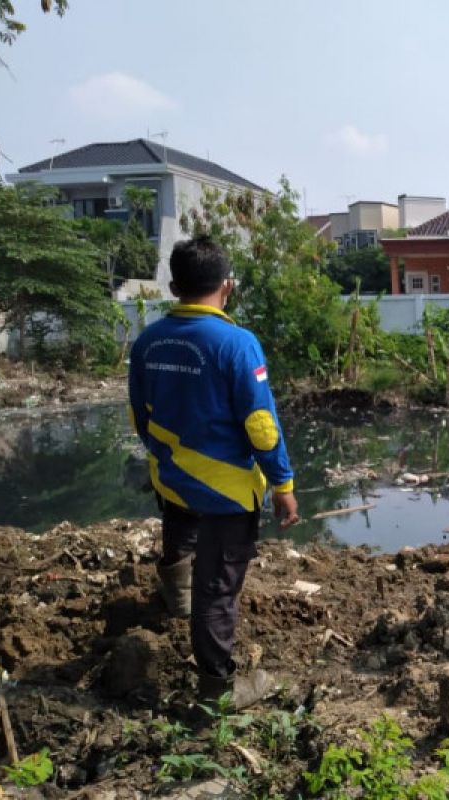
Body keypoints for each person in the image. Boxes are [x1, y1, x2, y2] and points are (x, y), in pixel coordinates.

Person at [128, 235, 299, 708]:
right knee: (218, 590)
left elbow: (138, 416)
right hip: (227, 492)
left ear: (173, 284)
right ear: (227, 286)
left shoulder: (148, 340)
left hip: (171, 478)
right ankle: (217, 690)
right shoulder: (237, 344)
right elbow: (261, 426)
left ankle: (176, 603)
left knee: (180, 539)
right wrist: (283, 484)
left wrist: (167, 458)